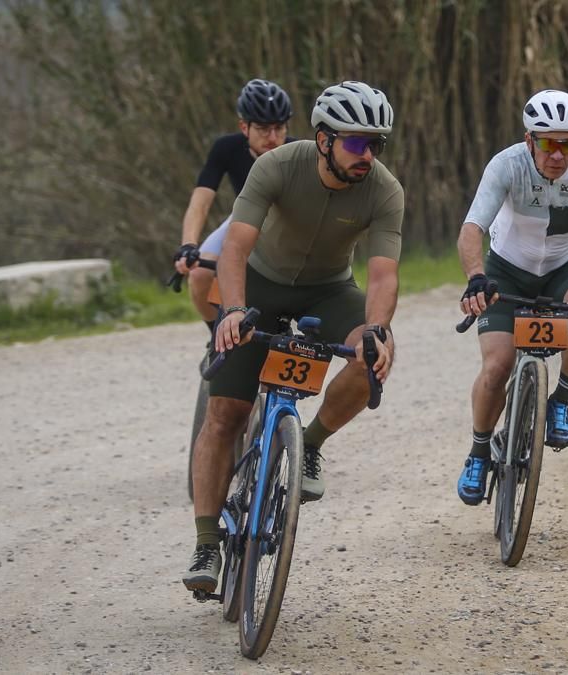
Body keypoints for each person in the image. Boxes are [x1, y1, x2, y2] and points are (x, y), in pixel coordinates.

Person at [183, 81, 403, 593]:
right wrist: (234, 310)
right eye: (355, 142)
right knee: (225, 415)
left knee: (374, 357)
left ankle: (309, 443)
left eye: (376, 144)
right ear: (325, 140)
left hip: (328, 291)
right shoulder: (277, 166)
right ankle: (206, 541)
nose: (367, 155)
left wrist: (376, 331)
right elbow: (235, 250)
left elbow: (384, 275)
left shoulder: (385, 189)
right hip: (261, 284)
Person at [455, 89, 568, 505]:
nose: (558, 154)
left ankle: (561, 401)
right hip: (506, 271)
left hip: (562, 269)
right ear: (529, 139)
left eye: (567, 143)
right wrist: (477, 277)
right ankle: (479, 451)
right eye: (548, 142)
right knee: (498, 366)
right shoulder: (506, 165)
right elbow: (472, 229)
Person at [172, 79, 296, 332]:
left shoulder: (299, 152)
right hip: (245, 219)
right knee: (199, 275)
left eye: (279, 128)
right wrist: (188, 245)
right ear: (244, 126)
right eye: (263, 129)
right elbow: (201, 202)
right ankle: (215, 336)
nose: (273, 137)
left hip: (288, 227)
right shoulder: (225, 149)